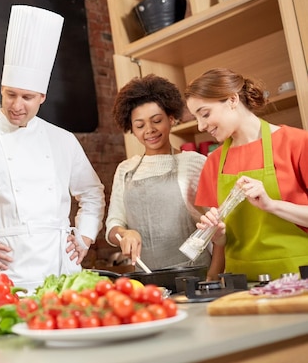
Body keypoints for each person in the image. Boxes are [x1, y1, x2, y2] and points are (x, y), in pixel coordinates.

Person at [0, 5, 105, 292]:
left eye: (27, 97)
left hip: (62, 271)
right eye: (11, 95)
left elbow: (92, 192)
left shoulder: (63, 140)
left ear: (42, 96)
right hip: (7, 273)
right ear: (1, 90)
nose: (17, 105)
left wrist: (84, 237)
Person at [185, 68, 308, 281]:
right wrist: (212, 278)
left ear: (232, 99)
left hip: (299, 278)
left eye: (205, 114)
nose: (201, 125)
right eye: (197, 118)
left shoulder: (297, 143)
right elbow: (220, 246)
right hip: (241, 284)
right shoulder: (213, 163)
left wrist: (271, 205)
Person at [105, 74, 210, 271]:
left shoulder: (194, 163)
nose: (149, 130)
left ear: (171, 118)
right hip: (147, 278)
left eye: (156, 120)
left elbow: (215, 225)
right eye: (140, 125)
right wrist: (124, 234)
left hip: (195, 272)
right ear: (132, 129)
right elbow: (113, 225)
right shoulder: (126, 170)